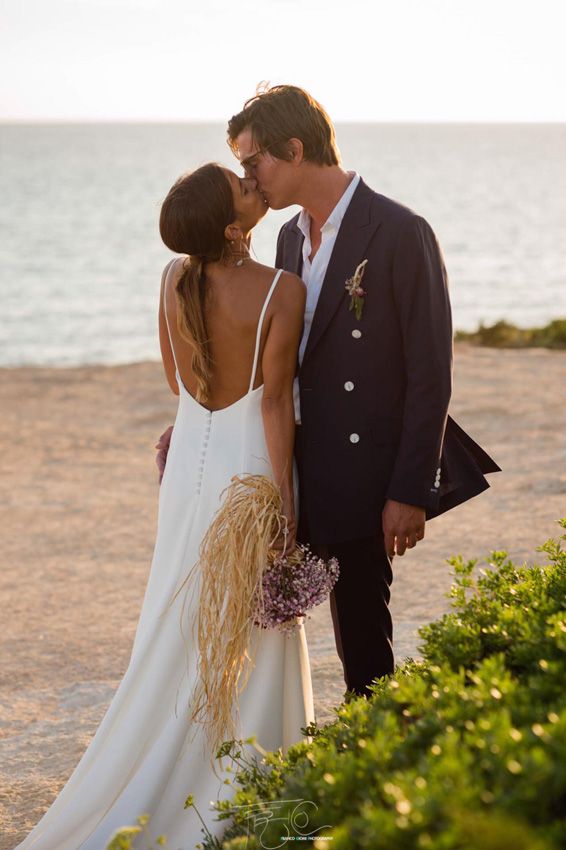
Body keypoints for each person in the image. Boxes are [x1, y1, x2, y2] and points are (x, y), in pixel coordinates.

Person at [158, 85, 500, 700]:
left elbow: (431, 374)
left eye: (252, 161)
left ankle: (373, 772)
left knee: (363, 639)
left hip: (366, 475)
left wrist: (410, 489)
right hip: (297, 470)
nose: (248, 178)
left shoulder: (400, 232)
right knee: (267, 633)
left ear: (293, 150)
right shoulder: (288, 240)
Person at [14, 162, 314, 850]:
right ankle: (248, 777)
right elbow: (272, 402)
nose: (252, 184)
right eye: (242, 188)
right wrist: (284, 500)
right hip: (245, 468)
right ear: (236, 229)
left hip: (189, 468)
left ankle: (162, 758)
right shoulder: (282, 291)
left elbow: (177, 377)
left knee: (179, 613)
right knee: (252, 621)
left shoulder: (173, 279)